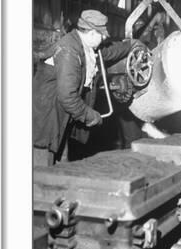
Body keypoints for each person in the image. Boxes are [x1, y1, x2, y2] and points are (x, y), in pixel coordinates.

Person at [33, 9, 134, 165]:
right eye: (102, 35)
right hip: (46, 121)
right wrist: (90, 116)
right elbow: (67, 96)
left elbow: (108, 52)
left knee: (61, 167)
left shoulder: (84, 46)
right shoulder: (69, 51)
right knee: (43, 173)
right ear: (92, 33)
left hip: (61, 118)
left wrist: (131, 45)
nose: (104, 38)